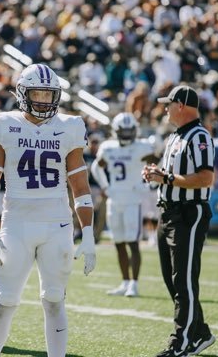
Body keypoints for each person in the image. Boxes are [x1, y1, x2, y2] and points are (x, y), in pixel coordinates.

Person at [0, 63, 96, 357]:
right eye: (38, 93)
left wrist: (90, 233)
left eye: (49, 94)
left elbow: (80, 186)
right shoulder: (4, 123)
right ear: (22, 93)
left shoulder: (70, 126)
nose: (44, 99)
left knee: (54, 300)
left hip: (57, 223)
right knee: (5, 303)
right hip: (15, 223)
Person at [142, 85, 216, 357]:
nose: (165, 108)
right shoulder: (176, 136)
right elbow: (171, 175)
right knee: (172, 279)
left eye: (169, 103)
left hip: (188, 212)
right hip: (169, 210)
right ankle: (200, 332)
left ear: (181, 105)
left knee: (183, 279)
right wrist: (156, 174)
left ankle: (180, 343)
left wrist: (168, 179)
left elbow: (206, 178)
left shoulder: (199, 136)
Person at [91, 112, 157, 297]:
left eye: (130, 131)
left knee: (133, 243)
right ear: (116, 131)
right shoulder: (109, 147)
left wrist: (148, 184)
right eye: (124, 131)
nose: (127, 135)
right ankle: (125, 282)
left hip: (132, 200)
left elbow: (158, 165)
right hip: (114, 200)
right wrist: (105, 186)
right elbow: (97, 166)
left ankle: (134, 284)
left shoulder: (142, 147)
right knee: (119, 242)